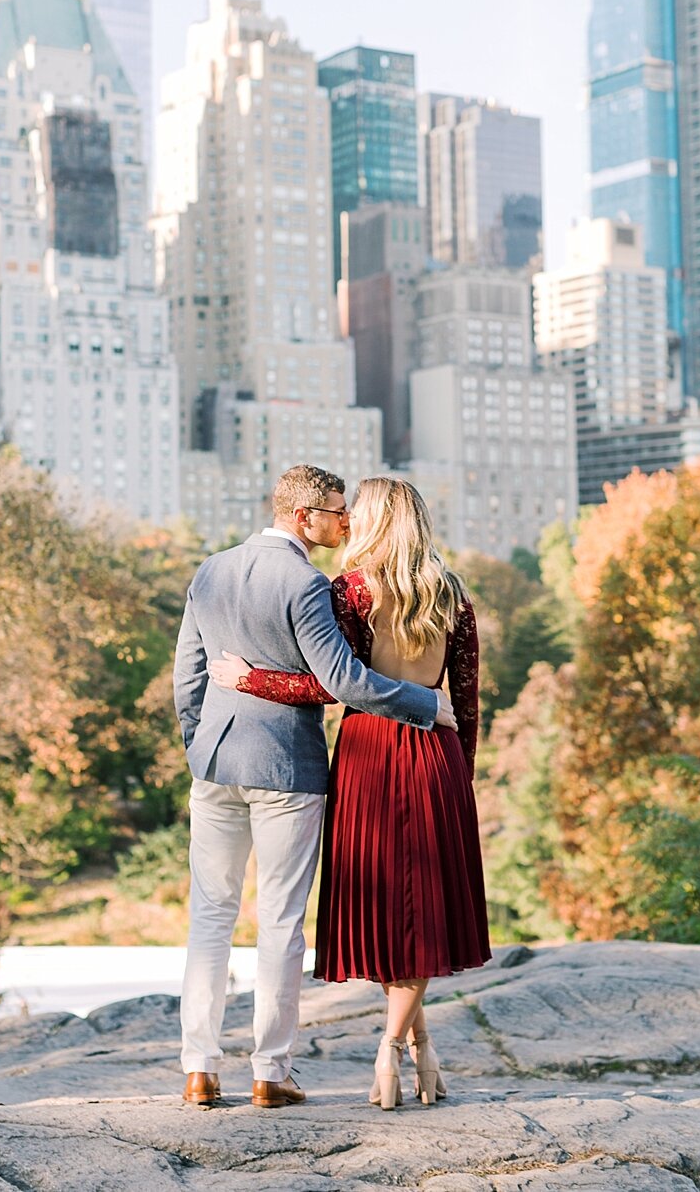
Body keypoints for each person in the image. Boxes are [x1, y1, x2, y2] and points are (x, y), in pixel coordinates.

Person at [173, 464, 458, 1111]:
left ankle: (198, 1068)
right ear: (304, 518)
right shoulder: (306, 584)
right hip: (286, 769)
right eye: (337, 511)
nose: (347, 522)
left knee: (210, 917)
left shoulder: (210, 570)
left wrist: (199, 742)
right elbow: (343, 683)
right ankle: (270, 1072)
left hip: (215, 763)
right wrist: (423, 702)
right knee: (278, 921)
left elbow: (187, 677)